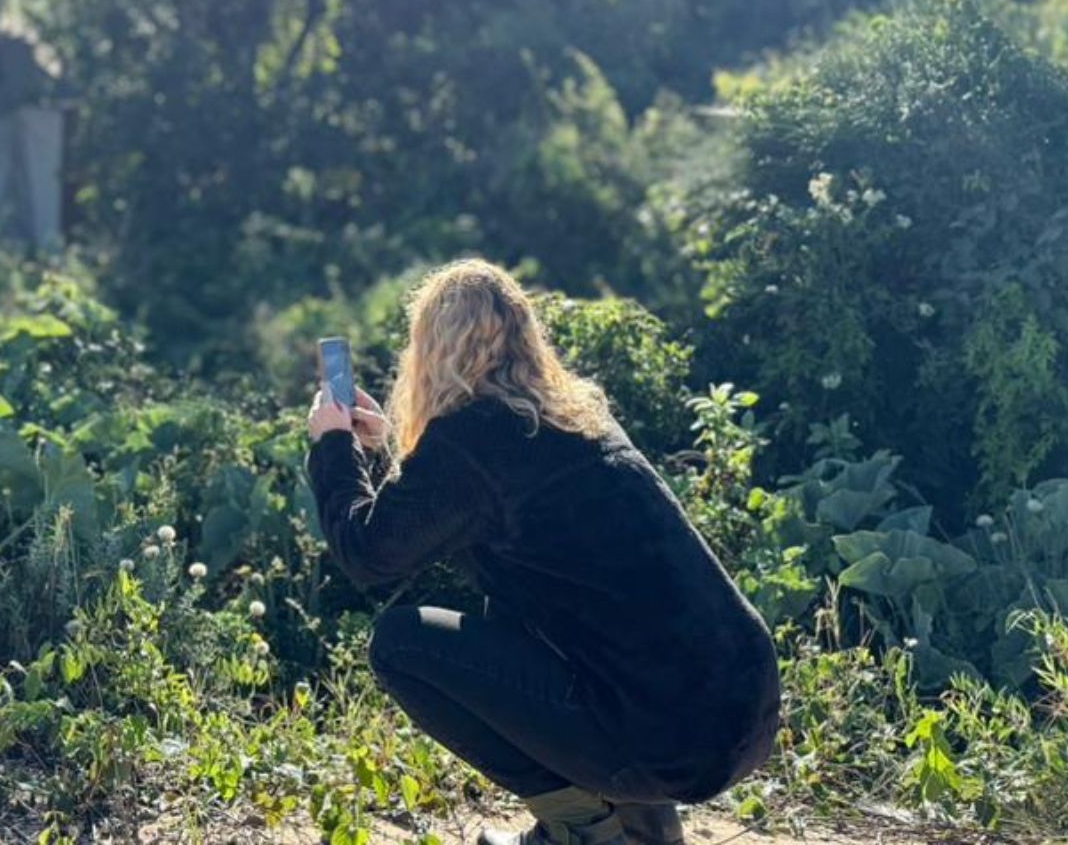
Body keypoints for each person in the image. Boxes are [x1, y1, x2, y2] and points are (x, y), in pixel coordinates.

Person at [304, 259, 781, 845]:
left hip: (667, 740)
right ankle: (644, 825)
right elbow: (433, 515)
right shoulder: (578, 417)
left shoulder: (471, 439)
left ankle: (582, 829)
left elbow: (367, 555)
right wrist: (376, 452)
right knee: (518, 621)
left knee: (402, 643)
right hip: (744, 709)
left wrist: (333, 447)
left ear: (430, 350)